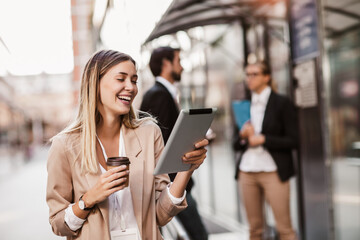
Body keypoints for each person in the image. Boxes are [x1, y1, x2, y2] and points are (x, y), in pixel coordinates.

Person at [46, 49, 209, 240]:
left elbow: (160, 215)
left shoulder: (149, 133)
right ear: (95, 83)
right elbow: (59, 224)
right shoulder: (64, 145)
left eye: (134, 80)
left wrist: (186, 170)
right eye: (121, 79)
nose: (130, 87)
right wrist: (89, 198)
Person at [140, 47, 208, 240]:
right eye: (178, 61)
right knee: (199, 235)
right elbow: (158, 141)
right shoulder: (158, 95)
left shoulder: (163, 93)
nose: (182, 67)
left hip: (172, 182)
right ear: (166, 64)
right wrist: (176, 183)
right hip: (170, 184)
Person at [233, 62, 298, 240]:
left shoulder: (281, 103)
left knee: (284, 229)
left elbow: (294, 140)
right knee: (254, 229)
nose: (250, 78)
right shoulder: (243, 105)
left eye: (254, 74)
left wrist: (264, 139)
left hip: (273, 171)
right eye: (247, 74)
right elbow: (235, 144)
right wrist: (242, 136)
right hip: (247, 171)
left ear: (266, 77)